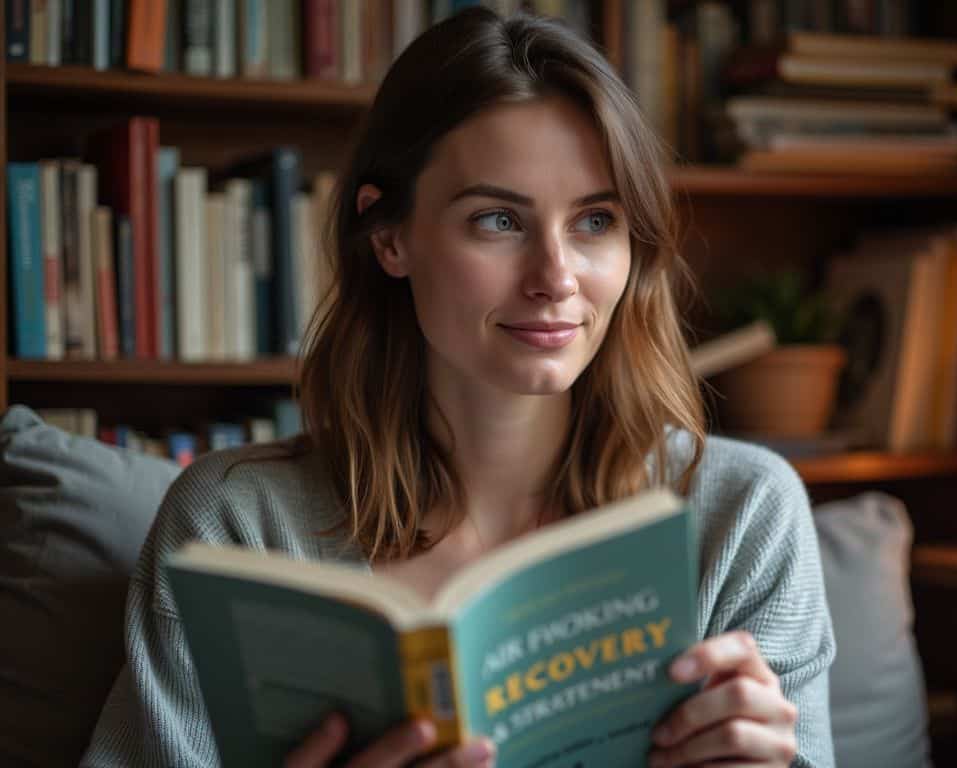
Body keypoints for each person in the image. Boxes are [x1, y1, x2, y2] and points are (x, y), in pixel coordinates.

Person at [81, 8, 834, 768]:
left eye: (595, 221)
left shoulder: (742, 515)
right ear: (391, 238)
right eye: (499, 220)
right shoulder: (235, 525)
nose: (556, 278)